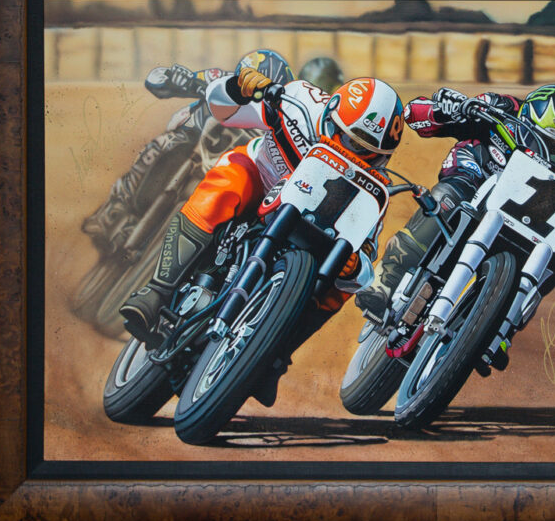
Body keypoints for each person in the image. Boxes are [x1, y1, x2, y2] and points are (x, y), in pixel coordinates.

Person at [119, 60, 406, 352]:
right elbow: (226, 112)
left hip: (311, 229)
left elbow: (366, 263)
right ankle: (157, 290)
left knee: (338, 285)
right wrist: (237, 89)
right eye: (351, 141)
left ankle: (276, 357)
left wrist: (353, 268)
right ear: (331, 117)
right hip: (260, 179)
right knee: (232, 173)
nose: (358, 155)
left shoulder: (375, 189)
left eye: (373, 154)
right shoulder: (299, 100)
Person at [355, 83, 555, 320]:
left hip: (521, 228)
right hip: (474, 177)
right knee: (449, 196)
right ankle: (387, 278)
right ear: (526, 122)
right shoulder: (501, 108)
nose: (551, 158)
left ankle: (505, 324)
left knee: (554, 256)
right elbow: (414, 113)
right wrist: (445, 110)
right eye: (544, 143)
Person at [81, 50, 292, 253]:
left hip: (233, 165)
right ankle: (114, 207)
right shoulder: (219, 79)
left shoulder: (288, 117)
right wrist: (179, 79)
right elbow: (155, 80)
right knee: (166, 143)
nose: (256, 94)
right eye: (250, 84)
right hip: (192, 137)